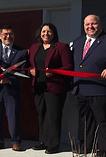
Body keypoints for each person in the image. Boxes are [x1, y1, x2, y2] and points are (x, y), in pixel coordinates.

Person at [71, 14, 106, 156]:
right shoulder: (78, 42)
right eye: (87, 25)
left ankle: (103, 150)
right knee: (86, 121)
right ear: (84, 26)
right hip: (81, 88)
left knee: (104, 121)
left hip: (101, 89)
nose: (90, 27)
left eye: (93, 24)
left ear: (100, 24)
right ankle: (87, 146)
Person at [28, 23, 73, 154]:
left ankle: (54, 144)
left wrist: (55, 71)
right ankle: (44, 141)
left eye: (49, 31)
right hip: (38, 86)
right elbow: (29, 64)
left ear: (54, 33)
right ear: (39, 33)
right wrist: (31, 71)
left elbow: (68, 67)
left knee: (53, 117)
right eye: (43, 31)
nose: (46, 34)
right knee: (42, 115)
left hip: (55, 87)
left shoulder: (61, 47)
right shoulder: (34, 47)